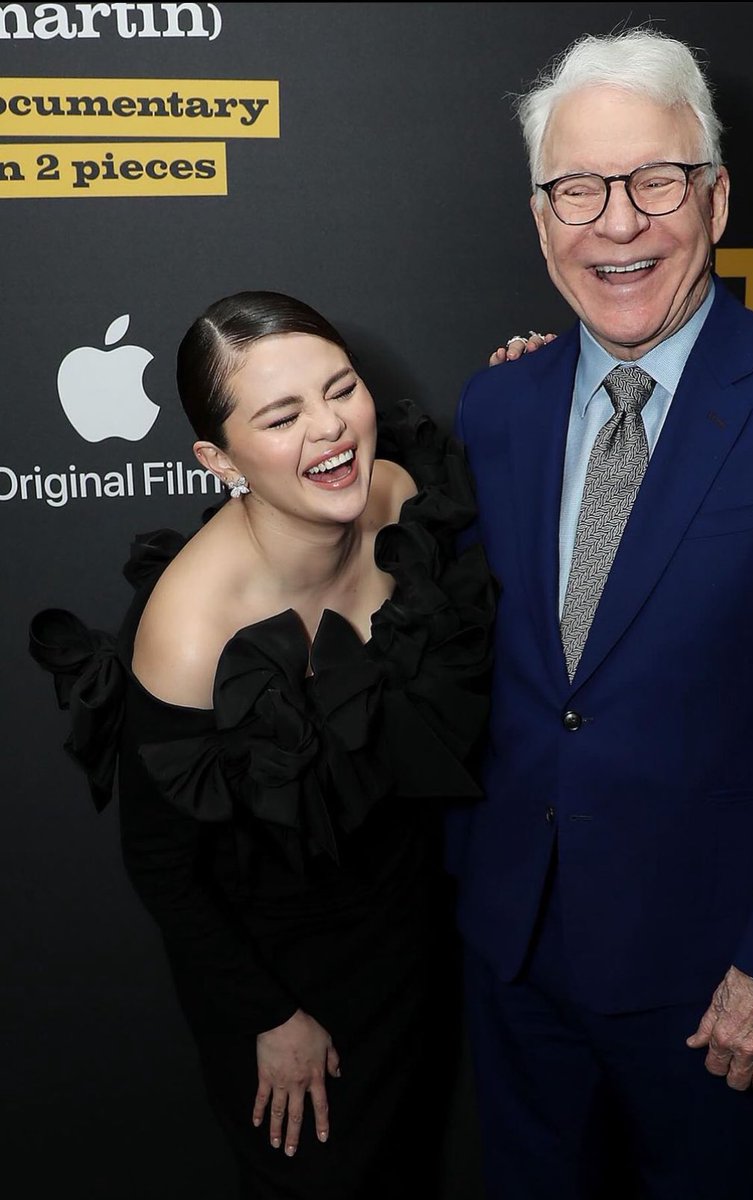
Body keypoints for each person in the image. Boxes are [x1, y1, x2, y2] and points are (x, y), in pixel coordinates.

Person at [447, 28, 753, 1200]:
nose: (615, 224)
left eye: (654, 181)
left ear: (711, 199)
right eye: (576, 190)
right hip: (512, 954)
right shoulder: (496, 406)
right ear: (539, 214)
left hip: (709, 980)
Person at [30, 291, 496, 1200]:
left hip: (406, 928)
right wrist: (271, 1016)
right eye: (282, 416)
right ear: (219, 459)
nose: (331, 429)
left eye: (341, 389)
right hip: (279, 966)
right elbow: (162, 864)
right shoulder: (192, 631)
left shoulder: (400, 498)